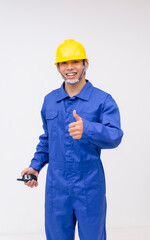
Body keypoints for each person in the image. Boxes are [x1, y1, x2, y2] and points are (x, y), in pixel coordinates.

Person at [21, 39, 124, 240]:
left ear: (86, 64)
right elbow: (47, 139)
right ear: (57, 67)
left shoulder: (102, 100)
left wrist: (89, 129)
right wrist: (35, 167)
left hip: (89, 185)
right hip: (56, 186)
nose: (70, 68)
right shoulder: (50, 100)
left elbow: (115, 136)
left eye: (75, 62)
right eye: (64, 63)